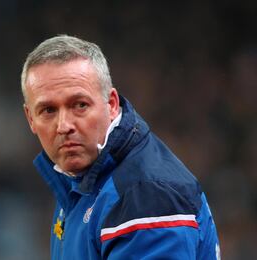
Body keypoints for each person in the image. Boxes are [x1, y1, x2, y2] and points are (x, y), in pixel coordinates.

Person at [21, 35, 220, 259]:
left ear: (112, 104)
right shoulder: (78, 180)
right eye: (48, 110)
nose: (64, 126)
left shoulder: (144, 196)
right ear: (30, 119)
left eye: (80, 105)